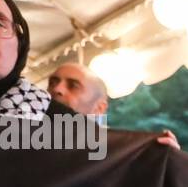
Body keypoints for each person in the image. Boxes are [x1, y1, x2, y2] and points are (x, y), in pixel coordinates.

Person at [46, 60, 181, 150]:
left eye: (73, 86)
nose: (57, 89)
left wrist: (172, 164)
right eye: (52, 83)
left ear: (99, 108)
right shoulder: (29, 141)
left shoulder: (120, 151)